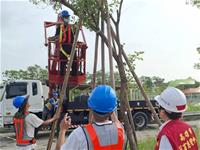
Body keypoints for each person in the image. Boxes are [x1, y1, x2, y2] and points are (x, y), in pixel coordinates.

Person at [56, 85, 127, 150]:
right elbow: (116, 122)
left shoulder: (80, 134)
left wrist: (62, 131)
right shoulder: (121, 131)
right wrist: (110, 107)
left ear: (90, 107)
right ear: (112, 111)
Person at [50, 10, 77, 76]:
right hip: (66, 47)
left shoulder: (71, 27)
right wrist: (52, 38)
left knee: (72, 61)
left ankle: (71, 74)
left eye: (66, 17)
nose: (66, 18)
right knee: (65, 62)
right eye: (65, 17)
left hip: (69, 46)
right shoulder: (63, 27)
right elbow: (58, 36)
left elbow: (57, 36)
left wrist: (52, 38)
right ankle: (66, 74)